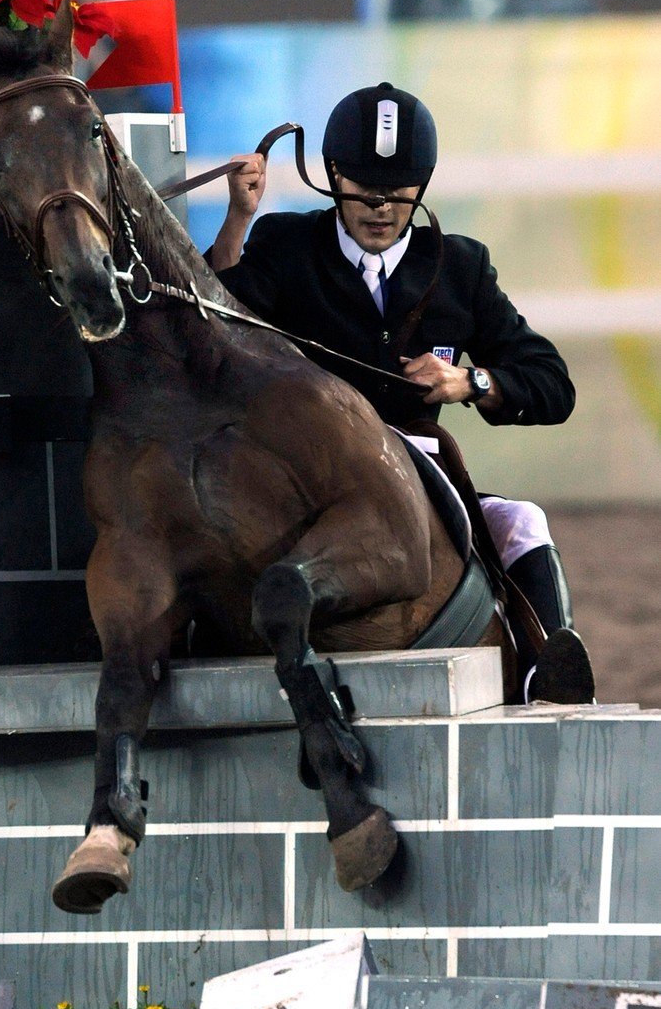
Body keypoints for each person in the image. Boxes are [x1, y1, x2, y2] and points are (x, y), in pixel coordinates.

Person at [207, 82, 594, 703]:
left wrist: (470, 381)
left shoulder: (461, 266)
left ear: (424, 183)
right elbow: (216, 323)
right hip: (306, 470)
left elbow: (552, 383)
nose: (381, 208)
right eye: (363, 188)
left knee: (523, 520)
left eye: (399, 192)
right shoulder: (286, 245)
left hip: (418, 469)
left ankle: (544, 677)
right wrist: (238, 219)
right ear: (332, 174)